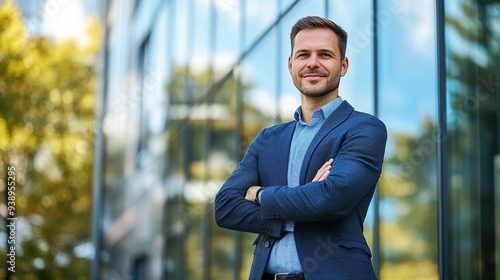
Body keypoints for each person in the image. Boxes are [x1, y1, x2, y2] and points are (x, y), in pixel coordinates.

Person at [214, 15, 387, 280]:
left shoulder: (364, 129)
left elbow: (332, 199)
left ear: (343, 66)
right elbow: (225, 207)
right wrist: (305, 198)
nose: (313, 63)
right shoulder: (268, 138)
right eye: (304, 54)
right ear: (291, 64)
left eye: (325, 55)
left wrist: (261, 195)